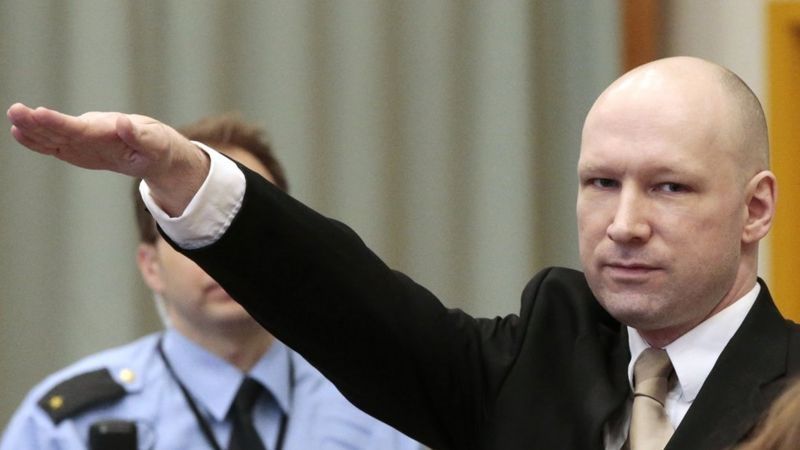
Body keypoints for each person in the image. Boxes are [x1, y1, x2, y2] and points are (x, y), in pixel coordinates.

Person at [6, 56, 796, 450]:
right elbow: (348, 302)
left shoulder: (791, 393)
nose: (622, 224)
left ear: (755, 208)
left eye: (668, 188)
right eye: (600, 183)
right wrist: (184, 173)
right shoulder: (544, 350)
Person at [0, 114, 423, 450]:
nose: (227, 257)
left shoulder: (377, 409)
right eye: (194, 232)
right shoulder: (68, 427)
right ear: (150, 266)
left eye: (247, 230)